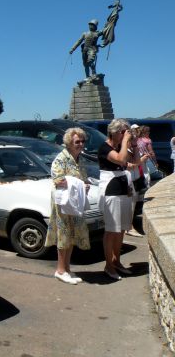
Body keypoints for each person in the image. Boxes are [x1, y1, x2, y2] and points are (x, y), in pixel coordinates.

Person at [44, 127, 91, 285]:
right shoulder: (61, 158)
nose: (81, 144)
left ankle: (67, 268)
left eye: (82, 141)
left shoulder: (80, 158)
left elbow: (83, 178)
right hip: (64, 203)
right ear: (69, 143)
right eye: (77, 141)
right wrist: (78, 184)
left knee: (72, 235)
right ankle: (60, 270)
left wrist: (85, 185)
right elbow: (58, 180)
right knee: (63, 235)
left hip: (75, 202)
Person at [98, 119, 133, 280]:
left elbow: (134, 161)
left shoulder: (122, 146)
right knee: (111, 230)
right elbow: (120, 159)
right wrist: (126, 141)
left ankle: (116, 261)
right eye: (123, 132)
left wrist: (134, 142)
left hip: (123, 190)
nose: (124, 134)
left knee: (121, 229)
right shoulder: (105, 148)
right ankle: (108, 266)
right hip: (111, 191)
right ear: (114, 132)